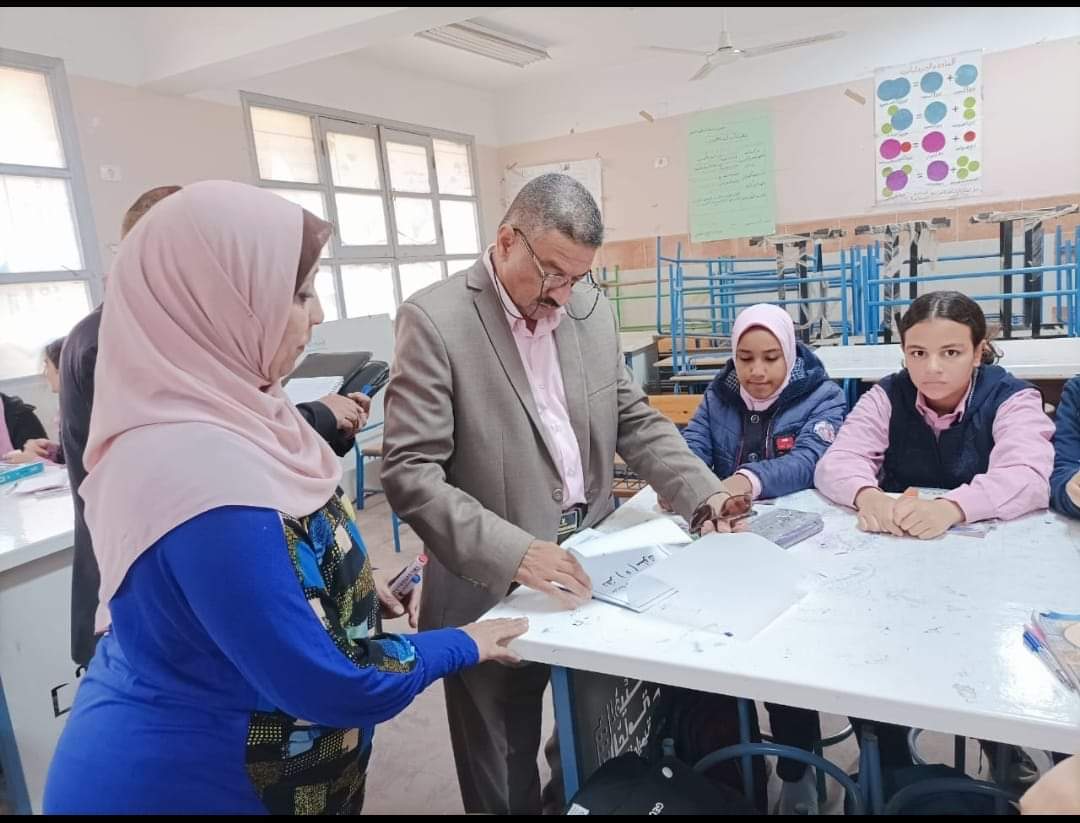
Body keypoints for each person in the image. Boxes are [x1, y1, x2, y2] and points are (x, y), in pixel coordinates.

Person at [42, 180, 528, 814]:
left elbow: (288, 544)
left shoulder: (242, 409)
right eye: (299, 293)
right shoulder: (200, 474)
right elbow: (330, 683)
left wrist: (349, 587)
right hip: (193, 779)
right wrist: (468, 641)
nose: (319, 313)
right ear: (218, 300)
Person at [381, 173, 747, 814]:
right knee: (502, 760)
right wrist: (517, 552)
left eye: (579, 277)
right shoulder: (435, 320)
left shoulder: (588, 309)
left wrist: (702, 492)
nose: (563, 295)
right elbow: (411, 472)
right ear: (505, 242)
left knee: (595, 741)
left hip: (596, 565)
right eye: (551, 274)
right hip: (489, 579)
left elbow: (631, 417)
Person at [60, 185, 371, 668]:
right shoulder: (123, 345)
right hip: (178, 631)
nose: (315, 314)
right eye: (301, 293)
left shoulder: (219, 352)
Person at [815, 290, 1053, 773]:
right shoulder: (886, 395)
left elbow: (1028, 473)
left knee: (987, 668)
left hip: (988, 582)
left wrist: (953, 507)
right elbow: (836, 461)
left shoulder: (1012, 397)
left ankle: (1005, 756)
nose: (933, 369)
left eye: (951, 353)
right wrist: (868, 495)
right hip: (899, 572)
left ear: (979, 349)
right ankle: (888, 759)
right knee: (874, 663)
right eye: (917, 353)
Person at [680, 302, 847, 814]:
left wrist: (744, 482)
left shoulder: (823, 396)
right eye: (746, 358)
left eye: (771, 357)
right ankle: (733, 770)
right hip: (724, 553)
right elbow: (692, 448)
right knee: (713, 659)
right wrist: (691, 488)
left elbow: (809, 463)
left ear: (790, 354)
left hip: (796, 555)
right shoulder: (718, 395)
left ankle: (796, 773)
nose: (756, 371)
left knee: (783, 664)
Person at [1, 338, 65, 464]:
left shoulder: (18, 415)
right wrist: (54, 451)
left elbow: (81, 464)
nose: (45, 373)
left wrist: (36, 461)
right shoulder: (68, 409)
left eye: (47, 364)